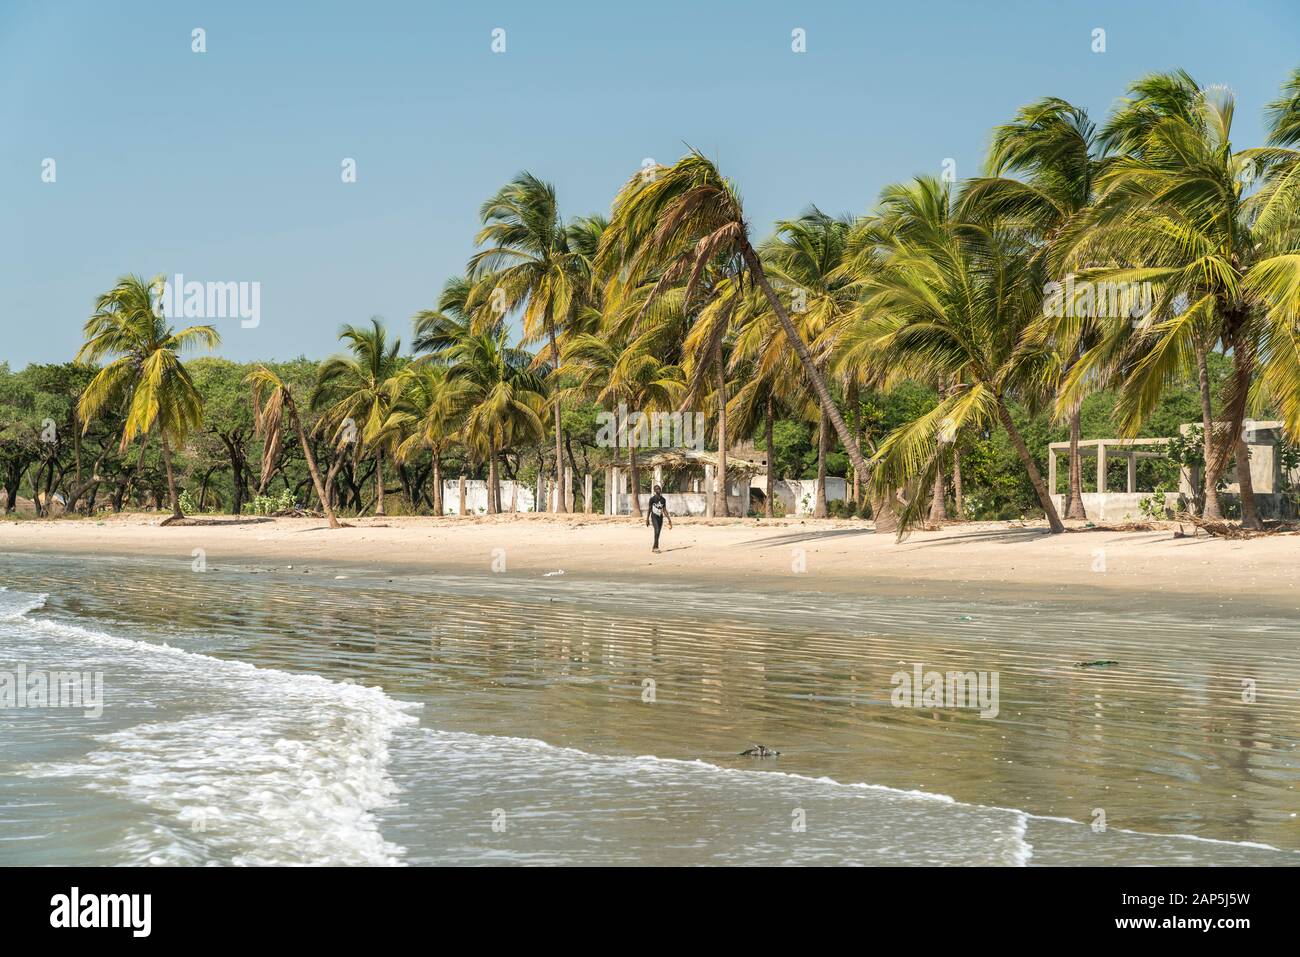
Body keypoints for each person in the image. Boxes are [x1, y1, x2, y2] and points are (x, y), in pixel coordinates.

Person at [646, 484, 672, 553]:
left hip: (660, 517)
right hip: (654, 516)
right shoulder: (652, 499)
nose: (658, 490)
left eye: (659, 489)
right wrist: (647, 519)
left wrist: (669, 519)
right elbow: (649, 509)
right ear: (654, 491)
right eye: (657, 489)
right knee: (656, 530)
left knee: (658, 533)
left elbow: (664, 510)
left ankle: (654, 547)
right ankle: (656, 547)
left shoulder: (663, 500)